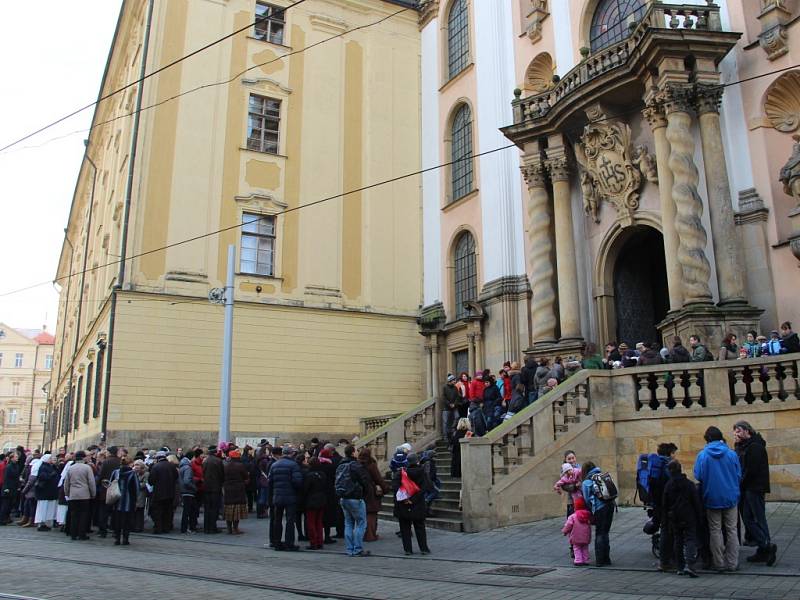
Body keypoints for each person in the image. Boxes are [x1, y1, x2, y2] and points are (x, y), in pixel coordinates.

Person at [693, 426, 741, 572]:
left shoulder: (702, 455)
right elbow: (739, 474)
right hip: (731, 497)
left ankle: (719, 562)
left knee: (715, 531)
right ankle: (732, 563)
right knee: (732, 530)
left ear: (707, 439)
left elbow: (698, 475)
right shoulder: (732, 454)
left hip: (711, 497)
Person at [733, 421, 777, 566]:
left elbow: (751, 470)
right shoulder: (744, 446)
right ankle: (763, 546)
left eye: (738, 431)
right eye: (734, 431)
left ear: (747, 431)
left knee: (756, 518)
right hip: (748, 488)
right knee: (749, 518)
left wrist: (741, 484)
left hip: (754, 488)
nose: (736, 434)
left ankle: (766, 546)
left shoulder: (755, 447)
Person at [662, 460, 702, 577]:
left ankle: (680, 566)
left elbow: (665, 504)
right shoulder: (689, 484)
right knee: (690, 539)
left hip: (674, 516)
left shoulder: (668, 486)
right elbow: (696, 502)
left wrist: (665, 520)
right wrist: (699, 516)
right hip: (689, 516)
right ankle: (690, 565)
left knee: (678, 540)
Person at [392, 452, 432, 556]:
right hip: (418, 504)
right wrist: (413, 499)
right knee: (420, 527)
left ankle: (408, 549)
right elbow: (425, 488)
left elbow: (395, 487)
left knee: (405, 528)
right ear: (417, 461)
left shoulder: (401, 473)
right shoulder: (422, 472)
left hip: (403, 504)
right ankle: (424, 548)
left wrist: (405, 499)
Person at [336, 444, 372, 557]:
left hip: (343, 497)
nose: (357, 452)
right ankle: (357, 549)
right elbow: (365, 481)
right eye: (356, 451)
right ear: (352, 453)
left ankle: (349, 548)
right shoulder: (355, 465)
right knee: (361, 523)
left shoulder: (340, 465)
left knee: (348, 523)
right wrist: (365, 493)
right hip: (355, 498)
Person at [267, 446, 303, 550]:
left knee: (277, 520)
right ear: (291, 454)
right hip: (290, 497)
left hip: (277, 496)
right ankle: (289, 543)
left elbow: (270, 482)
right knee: (290, 520)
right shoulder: (294, 465)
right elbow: (298, 482)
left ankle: (277, 543)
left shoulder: (274, 465)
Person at [581, 461, 614, 566]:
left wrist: (591, 510)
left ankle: (599, 560)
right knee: (606, 532)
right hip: (610, 505)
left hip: (600, 508)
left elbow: (586, 499)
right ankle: (607, 559)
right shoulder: (602, 475)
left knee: (599, 533)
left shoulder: (586, 482)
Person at [63, 450, 96, 540]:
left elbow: (66, 483)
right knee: (83, 515)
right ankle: (82, 534)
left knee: (74, 515)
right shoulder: (87, 468)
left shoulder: (71, 468)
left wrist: (67, 493)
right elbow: (91, 482)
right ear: (83, 458)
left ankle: (73, 533)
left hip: (73, 494)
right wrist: (93, 493)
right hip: (84, 495)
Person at [359, 447, 388, 542]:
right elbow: (378, 479)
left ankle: (362, 534)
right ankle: (370, 535)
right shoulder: (371, 465)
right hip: (370, 492)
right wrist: (385, 489)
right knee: (371, 514)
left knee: (362, 514)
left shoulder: (356, 464)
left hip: (359, 491)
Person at [111, 456, 138, 545]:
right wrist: (135, 499)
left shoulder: (115, 472)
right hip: (128, 500)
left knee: (117, 519)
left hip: (117, 499)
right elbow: (136, 488)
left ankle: (117, 538)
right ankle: (125, 539)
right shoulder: (132, 474)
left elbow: (111, 485)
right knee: (127, 520)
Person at [149, 451, 178, 534]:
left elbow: (151, 481)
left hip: (158, 493)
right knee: (168, 511)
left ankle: (158, 528)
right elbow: (176, 477)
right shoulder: (172, 466)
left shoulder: (156, 467)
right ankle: (166, 527)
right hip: (170, 492)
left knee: (158, 511)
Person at [303, 457, 328, 550]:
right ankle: (320, 541)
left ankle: (313, 542)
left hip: (312, 500)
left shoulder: (309, 475)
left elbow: (305, 489)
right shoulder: (322, 474)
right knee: (319, 522)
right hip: (321, 499)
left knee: (311, 522)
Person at [223, 449, 249, 535]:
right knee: (237, 510)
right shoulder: (240, 466)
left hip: (228, 489)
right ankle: (235, 528)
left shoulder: (225, 465)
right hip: (238, 489)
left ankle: (229, 528)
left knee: (228, 509)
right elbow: (246, 476)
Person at [562, 495, 591, 566]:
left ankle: (578, 560)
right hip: (586, 537)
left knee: (577, 548)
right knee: (585, 548)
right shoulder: (588, 515)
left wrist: (564, 531)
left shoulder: (572, 516)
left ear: (575, 507)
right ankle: (586, 560)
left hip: (576, 536)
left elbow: (568, 525)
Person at [202, 445, 224, 534]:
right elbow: (222, 475)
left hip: (206, 487)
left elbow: (203, 473)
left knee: (207, 508)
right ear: (215, 452)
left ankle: (206, 527)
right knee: (214, 508)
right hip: (216, 487)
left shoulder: (205, 461)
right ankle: (212, 527)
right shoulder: (218, 461)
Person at [33, 454, 59, 531]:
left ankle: (45, 523)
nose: (51, 459)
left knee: (48, 509)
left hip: (49, 492)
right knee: (42, 508)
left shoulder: (50, 466)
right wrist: (51, 475)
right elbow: (43, 477)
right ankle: (41, 523)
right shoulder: (43, 467)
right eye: (50, 458)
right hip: (44, 492)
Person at [178, 454, 198, 534]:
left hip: (184, 491)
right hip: (188, 492)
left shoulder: (182, 467)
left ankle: (185, 528)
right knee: (189, 511)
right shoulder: (188, 468)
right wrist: (194, 487)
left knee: (186, 511)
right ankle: (186, 528)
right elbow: (187, 481)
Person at [0, 451, 21, 525]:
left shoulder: (16, 466)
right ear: (12, 458)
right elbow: (6, 478)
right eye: (16, 457)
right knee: (5, 504)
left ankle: (6, 518)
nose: (17, 458)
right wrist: (6, 488)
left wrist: (18, 486)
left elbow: (17, 477)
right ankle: (2, 519)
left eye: (17, 457)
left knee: (10, 504)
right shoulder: (9, 467)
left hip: (13, 488)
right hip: (8, 488)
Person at [132, 459, 148, 532]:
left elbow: (145, 484)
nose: (136, 467)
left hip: (141, 494)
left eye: (138, 465)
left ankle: (139, 527)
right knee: (134, 511)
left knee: (139, 511)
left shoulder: (146, 474)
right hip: (134, 494)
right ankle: (133, 525)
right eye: (135, 465)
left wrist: (136, 484)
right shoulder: (134, 473)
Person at [442, 374, 460, 441]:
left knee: (457, 417)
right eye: (453, 380)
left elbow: (457, 397)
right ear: (450, 381)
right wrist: (449, 404)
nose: (455, 381)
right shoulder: (445, 387)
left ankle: (452, 429)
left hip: (454, 407)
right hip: (446, 408)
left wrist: (454, 404)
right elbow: (444, 397)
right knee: (445, 422)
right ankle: (445, 436)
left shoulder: (455, 388)